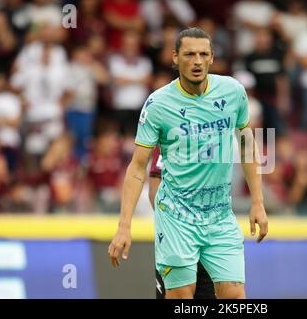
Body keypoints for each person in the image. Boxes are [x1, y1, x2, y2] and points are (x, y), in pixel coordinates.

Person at [108, 27, 268, 299]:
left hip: (219, 215)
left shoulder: (233, 92)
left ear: (212, 58)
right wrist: (124, 225)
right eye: (190, 54)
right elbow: (138, 168)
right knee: (182, 297)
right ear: (174, 57)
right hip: (177, 217)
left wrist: (257, 203)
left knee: (234, 296)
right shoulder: (158, 104)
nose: (197, 61)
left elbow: (246, 144)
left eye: (204, 54)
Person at [149, 146, 215, 299]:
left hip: (210, 240)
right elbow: (154, 187)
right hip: (176, 239)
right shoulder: (170, 134)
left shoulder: (218, 134)